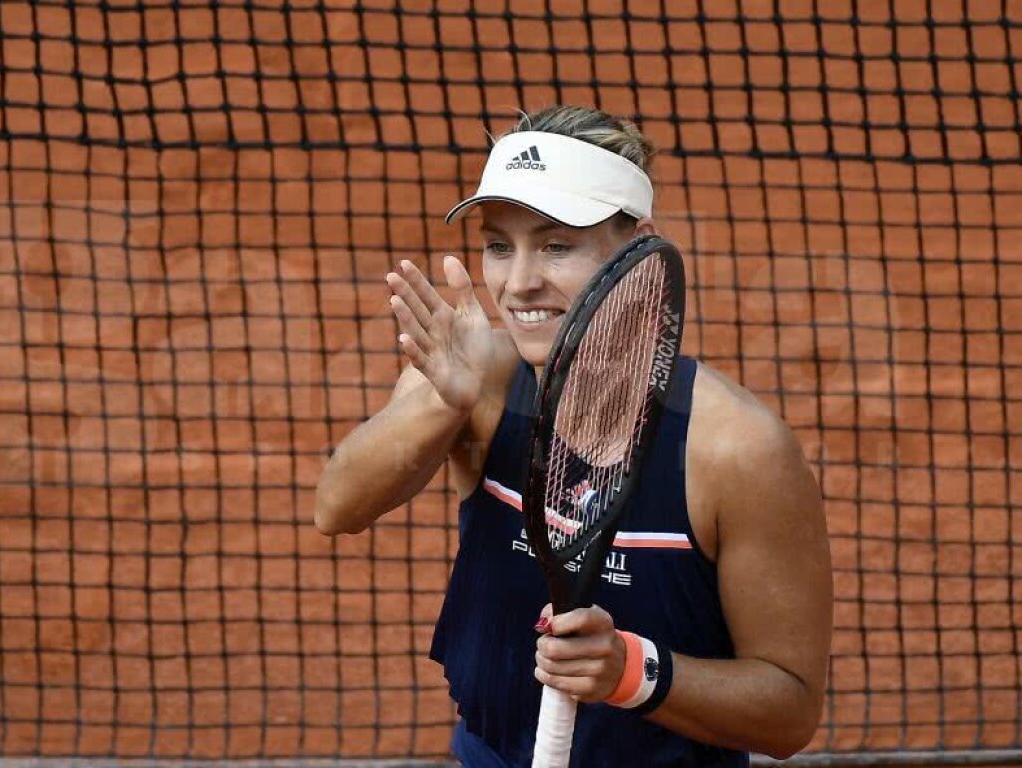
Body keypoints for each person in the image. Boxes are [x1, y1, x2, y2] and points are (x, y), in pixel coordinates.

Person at [314, 105, 832, 767]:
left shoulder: (737, 450)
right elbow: (338, 507)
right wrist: (447, 405)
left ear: (638, 246)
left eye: (556, 244)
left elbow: (789, 711)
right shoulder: (477, 377)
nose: (519, 281)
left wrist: (631, 671)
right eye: (500, 244)